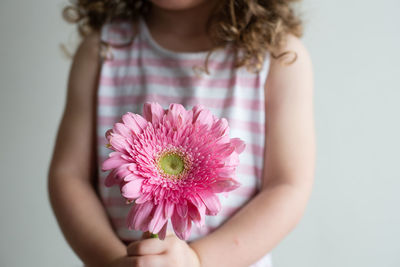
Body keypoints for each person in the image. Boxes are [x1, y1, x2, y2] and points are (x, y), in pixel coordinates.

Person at [48, 0, 315, 266]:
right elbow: (69, 176)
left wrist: (198, 260)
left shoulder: (279, 57)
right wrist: (111, 260)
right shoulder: (101, 50)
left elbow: (287, 186)